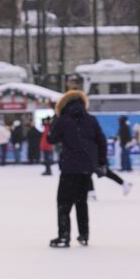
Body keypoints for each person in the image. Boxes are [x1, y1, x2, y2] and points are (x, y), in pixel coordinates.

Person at [46, 90, 107, 248]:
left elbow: (51, 139)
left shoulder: (63, 120)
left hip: (70, 167)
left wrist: (54, 122)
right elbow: (101, 141)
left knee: (63, 202)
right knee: (81, 202)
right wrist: (101, 161)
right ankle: (84, 234)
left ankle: (64, 236)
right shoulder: (91, 119)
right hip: (87, 167)